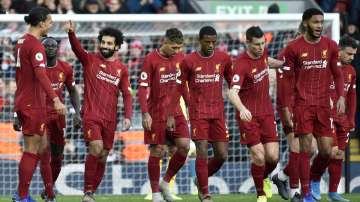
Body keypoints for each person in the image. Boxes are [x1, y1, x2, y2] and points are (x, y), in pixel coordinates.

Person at [64, 21, 132, 202]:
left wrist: (127, 116)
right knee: (96, 147)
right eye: (103, 42)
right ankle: (87, 192)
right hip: (91, 116)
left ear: (117, 46)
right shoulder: (90, 60)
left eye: (109, 43)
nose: (105, 46)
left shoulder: (122, 70)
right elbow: (77, 49)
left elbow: (127, 94)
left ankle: (91, 193)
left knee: (103, 155)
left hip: (111, 119)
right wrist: (71, 33)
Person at [282, 8, 345, 202]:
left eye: (321, 22)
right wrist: (286, 107)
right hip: (302, 105)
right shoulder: (293, 48)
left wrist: (341, 96)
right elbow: (287, 80)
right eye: (315, 22)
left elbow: (337, 73)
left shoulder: (331, 46)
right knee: (306, 148)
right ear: (306, 23)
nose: (319, 26)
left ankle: (314, 178)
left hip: (324, 106)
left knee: (326, 151)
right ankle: (306, 193)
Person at [11, 7, 66, 202]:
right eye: (50, 21)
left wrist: (16, 111)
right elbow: (41, 74)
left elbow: (20, 77)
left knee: (43, 147)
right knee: (31, 150)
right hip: (33, 104)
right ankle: (22, 196)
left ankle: (46, 193)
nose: (51, 25)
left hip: (24, 102)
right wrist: (56, 99)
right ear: (41, 22)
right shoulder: (35, 46)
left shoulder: (20, 41)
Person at [228, 26, 284, 202]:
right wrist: (242, 109)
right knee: (259, 156)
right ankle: (261, 194)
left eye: (262, 43)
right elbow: (232, 92)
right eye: (257, 44)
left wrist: (283, 64)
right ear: (248, 42)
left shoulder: (263, 54)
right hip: (249, 116)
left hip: (267, 113)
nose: (260, 47)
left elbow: (268, 60)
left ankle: (266, 176)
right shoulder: (241, 64)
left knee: (273, 158)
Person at [178, 26, 233, 202]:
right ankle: (204, 193)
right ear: (199, 40)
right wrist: (187, 104)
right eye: (207, 41)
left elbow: (233, 82)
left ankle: (200, 179)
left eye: (213, 42)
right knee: (201, 150)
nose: (210, 45)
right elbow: (180, 85)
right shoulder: (188, 61)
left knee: (222, 155)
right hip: (198, 112)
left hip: (218, 112)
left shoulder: (224, 58)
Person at [138, 28, 190, 202]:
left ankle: (165, 182)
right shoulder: (150, 59)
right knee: (158, 150)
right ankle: (155, 194)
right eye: (174, 47)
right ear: (164, 42)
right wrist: (145, 113)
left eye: (179, 48)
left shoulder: (181, 58)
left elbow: (183, 86)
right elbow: (142, 87)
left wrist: (190, 106)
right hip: (156, 112)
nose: (177, 51)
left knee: (184, 146)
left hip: (176, 111)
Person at [309, 36, 357, 202]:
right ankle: (314, 180)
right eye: (349, 53)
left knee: (339, 155)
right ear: (340, 49)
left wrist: (351, 119)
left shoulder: (351, 71)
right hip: (326, 115)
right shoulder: (327, 66)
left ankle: (332, 193)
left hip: (343, 119)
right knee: (330, 151)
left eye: (354, 55)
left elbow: (352, 96)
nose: (351, 57)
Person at [40, 36, 81, 200]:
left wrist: (77, 113)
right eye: (46, 46)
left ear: (57, 49)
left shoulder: (66, 67)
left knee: (57, 156)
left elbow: (73, 91)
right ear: (41, 49)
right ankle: (50, 194)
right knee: (44, 153)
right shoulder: (36, 68)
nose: (50, 48)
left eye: (53, 46)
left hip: (58, 117)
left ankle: (47, 188)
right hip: (40, 115)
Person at [271, 24, 306, 202]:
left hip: (306, 106)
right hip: (288, 106)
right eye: (300, 35)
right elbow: (282, 89)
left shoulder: (309, 54)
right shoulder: (284, 55)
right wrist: (285, 111)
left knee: (310, 150)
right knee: (296, 147)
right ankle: (295, 193)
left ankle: (282, 176)